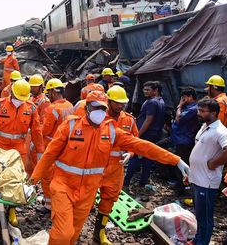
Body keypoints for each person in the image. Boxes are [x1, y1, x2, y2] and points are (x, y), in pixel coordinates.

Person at [30, 91, 189, 245]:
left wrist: (175, 160)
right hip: (63, 187)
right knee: (63, 233)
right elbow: (50, 154)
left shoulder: (111, 131)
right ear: (87, 108)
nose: (99, 111)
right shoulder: (70, 126)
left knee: (74, 232)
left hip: (88, 192)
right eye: (95, 107)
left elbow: (143, 146)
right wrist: (33, 179)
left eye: (102, 108)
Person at [188, 98, 227, 245]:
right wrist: (191, 174)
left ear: (214, 113)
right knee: (199, 214)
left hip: (207, 182)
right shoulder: (205, 126)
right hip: (197, 178)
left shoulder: (220, 131)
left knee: (205, 217)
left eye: (202, 111)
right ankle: (198, 239)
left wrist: (213, 163)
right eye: (199, 110)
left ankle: (202, 242)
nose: (198, 113)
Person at [94, 86, 138, 244]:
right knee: (85, 198)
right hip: (95, 166)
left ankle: (99, 233)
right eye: (117, 103)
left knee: (109, 200)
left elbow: (136, 142)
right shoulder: (98, 118)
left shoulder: (129, 120)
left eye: (123, 103)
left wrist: (130, 153)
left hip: (116, 168)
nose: (120, 106)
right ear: (109, 101)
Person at [0, 79, 44, 167]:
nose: (19, 101)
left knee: (17, 178)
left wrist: (40, 151)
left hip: (18, 151)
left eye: (22, 99)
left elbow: (37, 132)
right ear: (11, 92)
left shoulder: (31, 108)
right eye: (17, 97)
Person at [124, 81, 166, 190]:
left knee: (135, 157)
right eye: (144, 89)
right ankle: (142, 184)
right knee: (148, 158)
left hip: (146, 134)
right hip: (154, 134)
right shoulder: (161, 101)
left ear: (155, 90)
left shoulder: (152, 102)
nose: (144, 91)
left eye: (148, 89)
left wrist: (137, 135)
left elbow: (148, 120)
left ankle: (126, 182)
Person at [40, 78, 73, 212]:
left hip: (53, 146)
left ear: (53, 92)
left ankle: (49, 204)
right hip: (67, 146)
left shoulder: (52, 109)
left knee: (47, 176)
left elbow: (45, 130)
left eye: (49, 93)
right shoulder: (70, 105)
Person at [171, 87, 199, 195]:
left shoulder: (192, 109)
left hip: (184, 140)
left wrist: (179, 106)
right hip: (180, 138)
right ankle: (180, 185)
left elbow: (179, 118)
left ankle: (180, 188)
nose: (182, 100)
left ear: (190, 97)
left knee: (181, 164)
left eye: (184, 97)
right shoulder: (188, 107)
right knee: (179, 163)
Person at [26, 74, 50, 174]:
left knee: (35, 159)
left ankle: (35, 180)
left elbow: (43, 122)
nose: (31, 88)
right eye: (30, 86)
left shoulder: (44, 101)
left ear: (40, 87)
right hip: (29, 134)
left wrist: (35, 137)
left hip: (36, 135)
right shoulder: (31, 99)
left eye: (34, 86)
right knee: (28, 160)